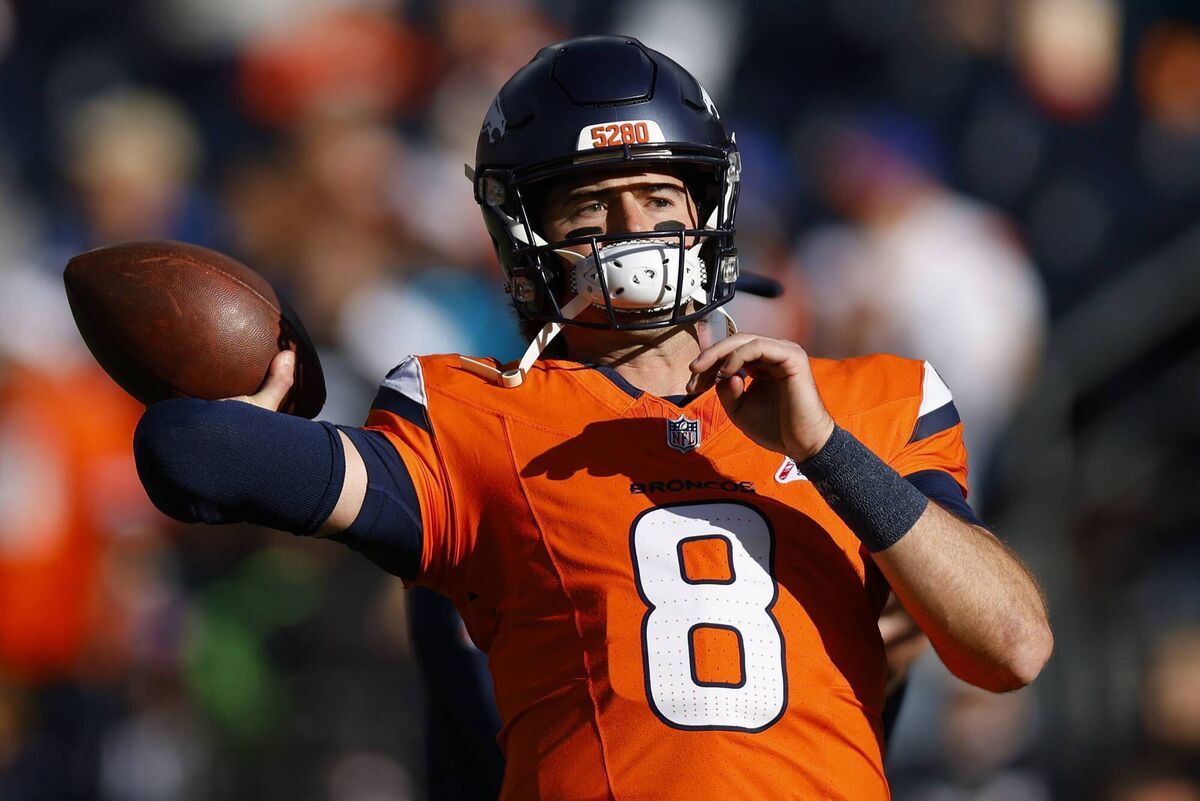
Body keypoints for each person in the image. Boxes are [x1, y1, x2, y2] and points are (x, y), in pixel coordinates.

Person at [133, 35, 1053, 800]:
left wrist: (824, 450)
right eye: (591, 208)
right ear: (527, 233)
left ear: (710, 209)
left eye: (659, 197)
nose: (634, 228)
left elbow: (1013, 644)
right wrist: (261, 416)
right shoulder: (477, 414)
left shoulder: (862, 403)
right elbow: (190, 450)